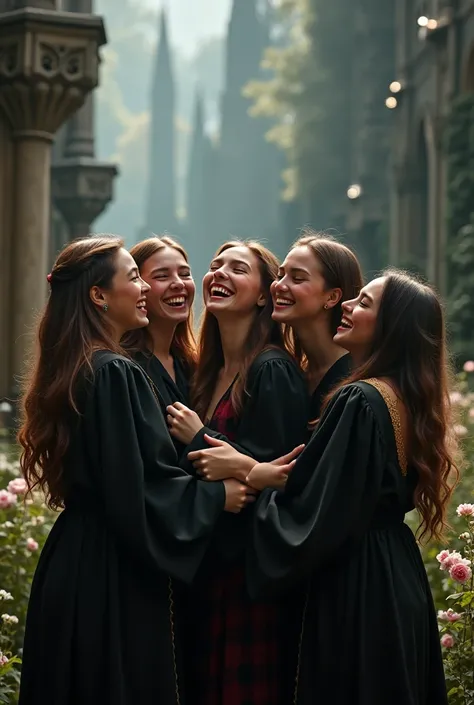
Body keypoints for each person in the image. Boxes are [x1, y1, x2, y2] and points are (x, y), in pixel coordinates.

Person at [17, 235, 253, 705]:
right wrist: (216, 497)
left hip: (78, 557)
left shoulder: (80, 365)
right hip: (111, 569)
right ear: (98, 295)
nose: (144, 288)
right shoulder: (114, 372)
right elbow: (137, 487)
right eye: (134, 278)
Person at [246, 269, 457, 705]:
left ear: (390, 329)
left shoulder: (359, 399)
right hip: (397, 573)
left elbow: (314, 515)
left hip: (358, 586)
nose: (346, 306)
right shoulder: (406, 395)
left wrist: (252, 485)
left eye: (362, 303)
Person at [166, 240, 308, 705]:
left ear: (265, 294)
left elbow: (268, 484)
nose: (218, 274)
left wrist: (198, 435)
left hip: (246, 583)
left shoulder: (272, 371)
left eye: (237, 268)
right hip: (205, 571)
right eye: (214, 266)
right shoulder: (205, 372)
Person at [272, 230, 363, 428]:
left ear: (331, 297)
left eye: (297, 279)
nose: (279, 285)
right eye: (280, 275)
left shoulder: (355, 383)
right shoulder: (294, 374)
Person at [123, 236, 196, 455]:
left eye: (184, 274)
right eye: (162, 276)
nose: (178, 283)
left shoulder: (192, 364)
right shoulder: (124, 367)